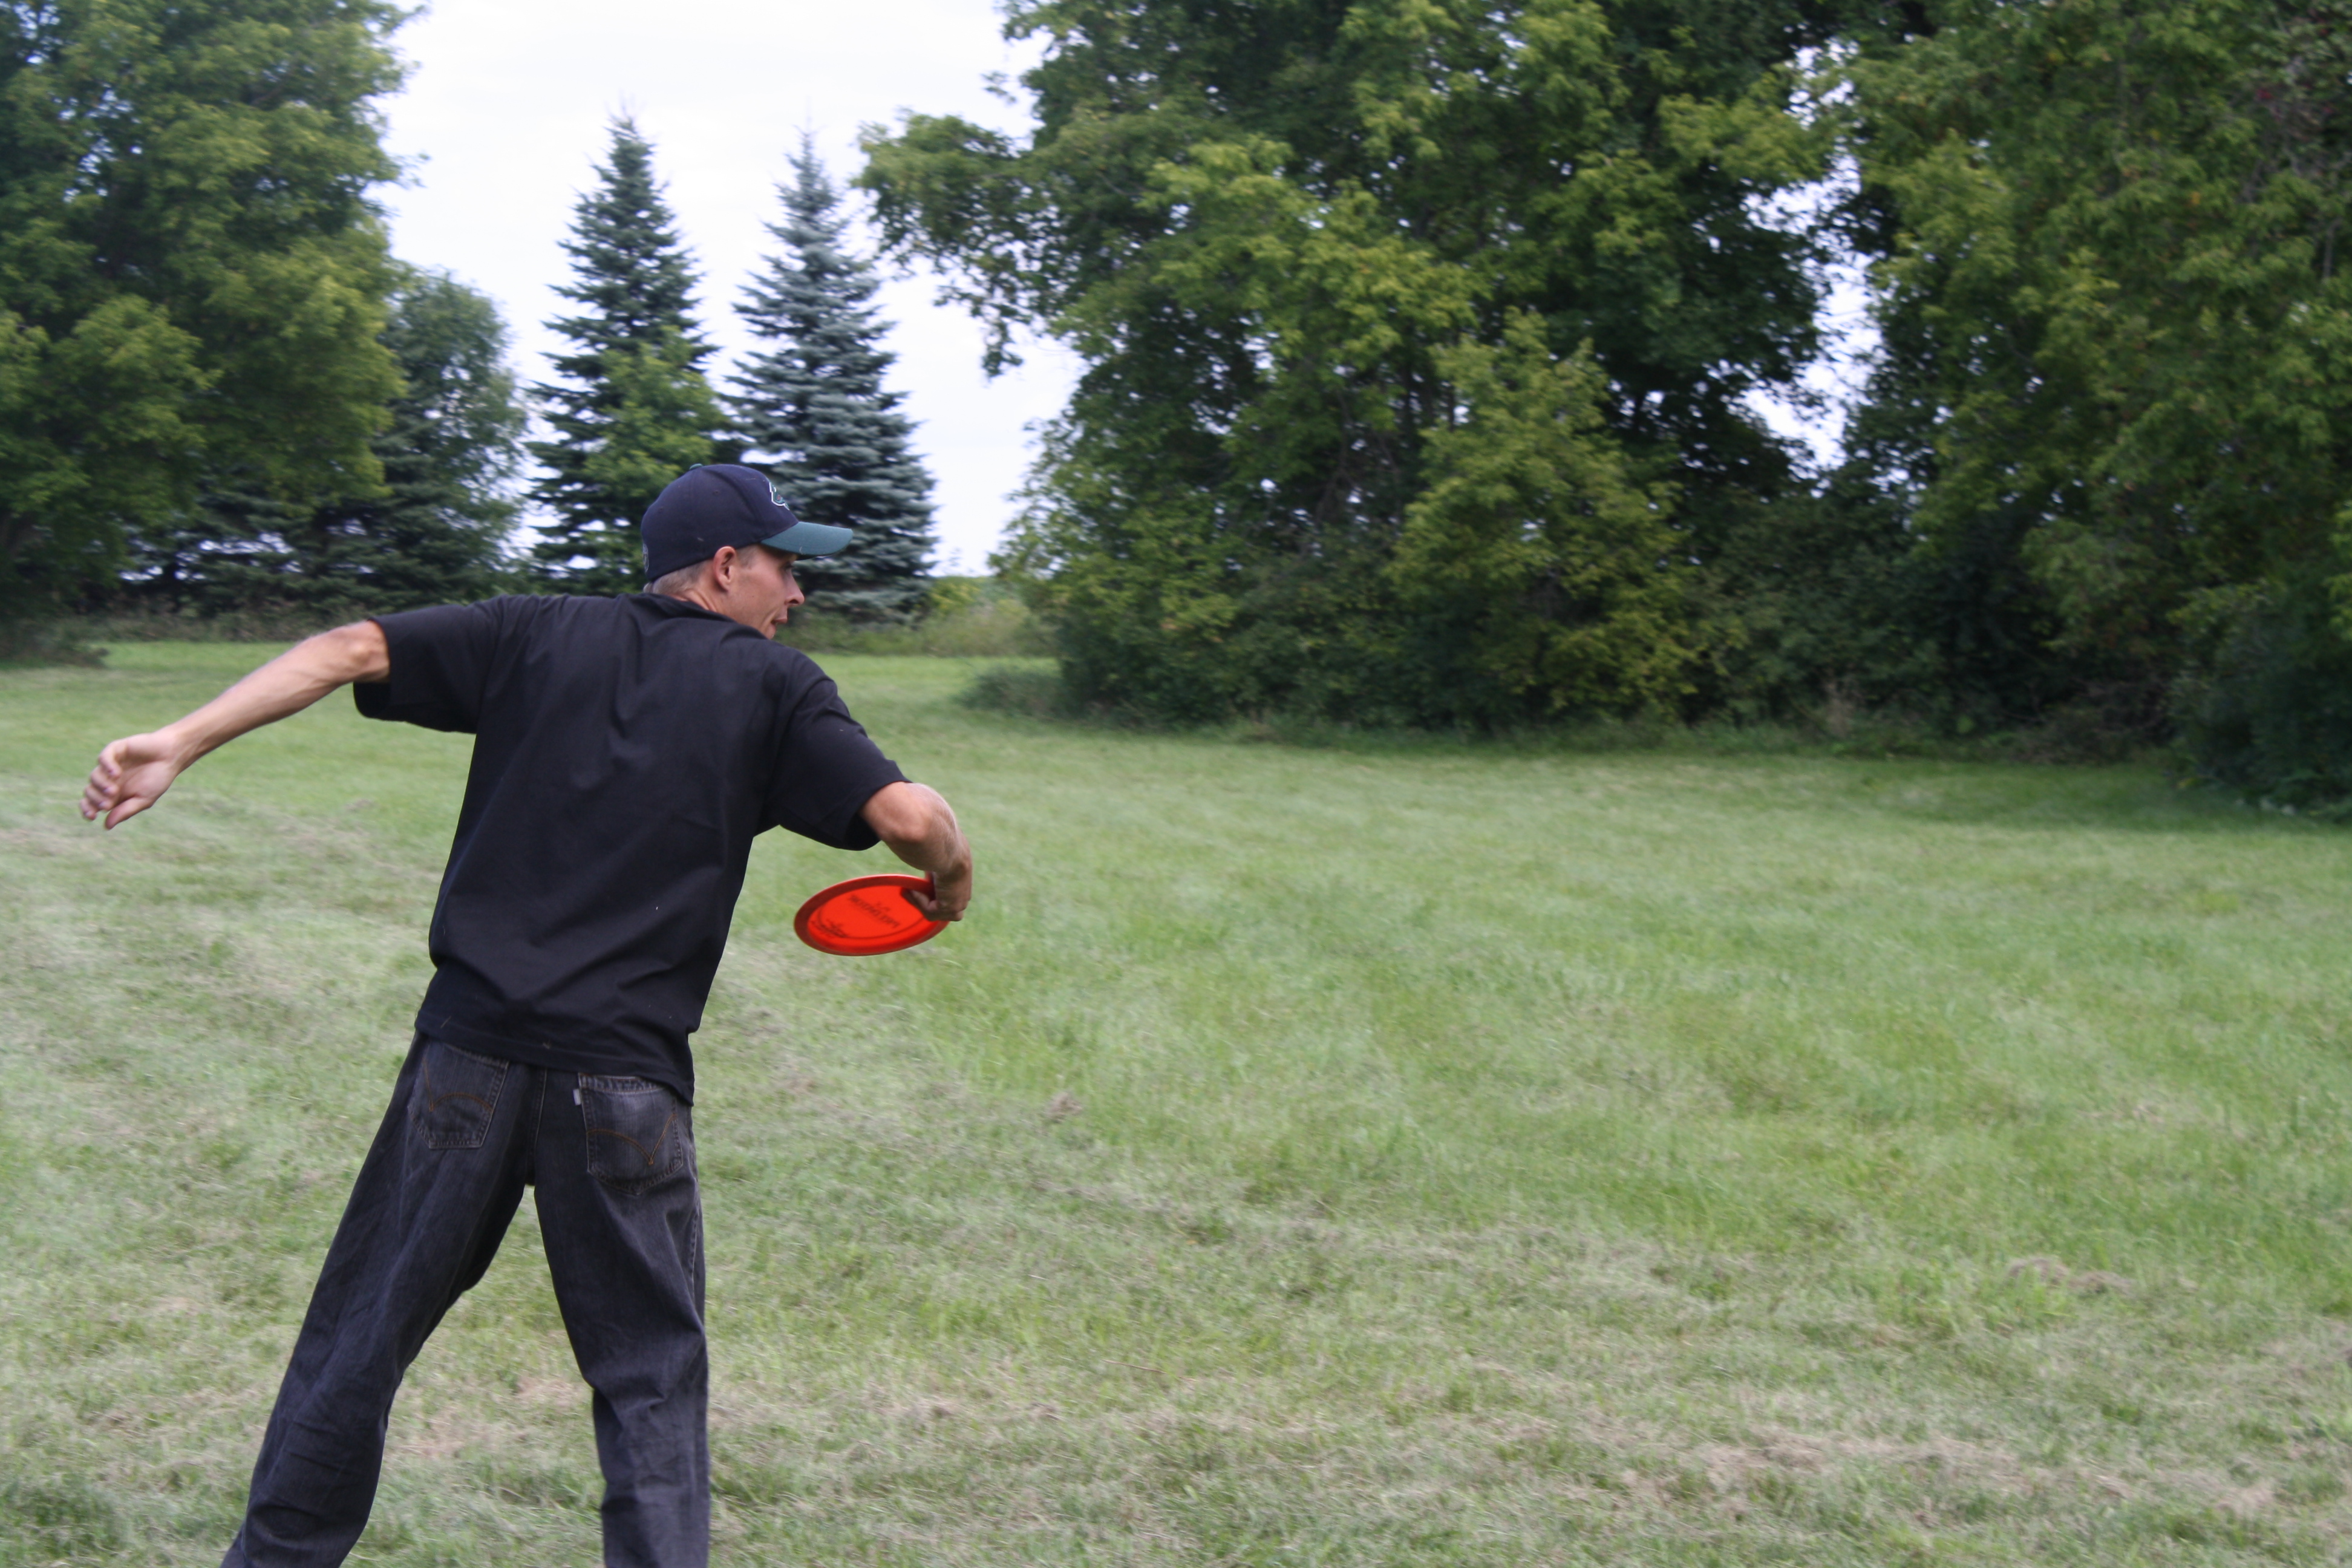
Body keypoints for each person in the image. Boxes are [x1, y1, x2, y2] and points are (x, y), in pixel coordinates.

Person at [79, 464, 973, 1568]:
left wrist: (180, 740)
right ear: (725, 566)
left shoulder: (533, 632)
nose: (798, 594)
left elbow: (348, 648)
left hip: (468, 1059)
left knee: (358, 1342)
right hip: (627, 1087)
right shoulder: (777, 687)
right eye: (786, 568)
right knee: (650, 1381)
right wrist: (953, 873)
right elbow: (907, 819)